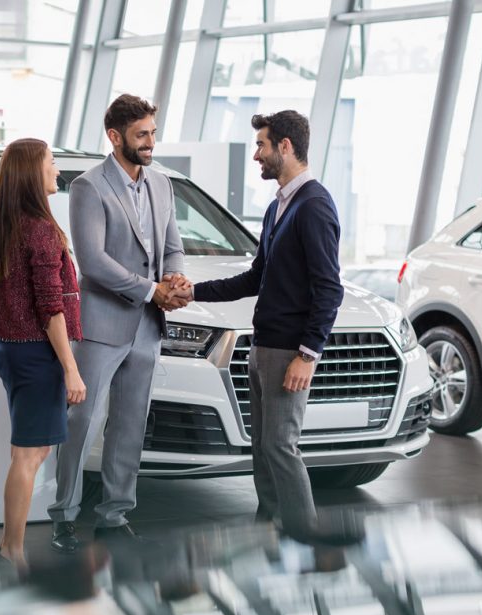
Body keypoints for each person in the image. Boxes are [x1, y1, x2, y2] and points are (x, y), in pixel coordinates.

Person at [172, 110, 346, 543]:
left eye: (262, 145)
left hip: (289, 351)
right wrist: (194, 292)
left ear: (285, 147)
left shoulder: (314, 206)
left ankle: (306, 540)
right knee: (264, 450)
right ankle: (269, 531)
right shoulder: (278, 208)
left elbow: (329, 289)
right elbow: (255, 278)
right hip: (263, 347)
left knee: (281, 448)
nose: (256, 156)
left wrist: (308, 354)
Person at [48, 94, 188, 553]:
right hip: (101, 325)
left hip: (147, 328)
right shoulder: (89, 187)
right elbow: (93, 262)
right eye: (141, 134)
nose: (151, 142)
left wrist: (174, 277)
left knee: (130, 424)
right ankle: (63, 517)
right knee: (82, 419)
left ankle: (114, 515)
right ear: (115, 136)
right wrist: (152, 290)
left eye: (153, 132)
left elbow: (172, 245)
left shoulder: (163, 185)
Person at [0, 138, 86, 574]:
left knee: (28, 451)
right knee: (28, 455)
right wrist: (71, 368)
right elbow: (50, 306)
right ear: (31, 173)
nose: (57, 171)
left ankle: (10, 546)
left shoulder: (0, 225)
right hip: (36, 353)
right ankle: (12, 552)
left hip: (9, 347)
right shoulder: (40, 230)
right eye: (51, 163)